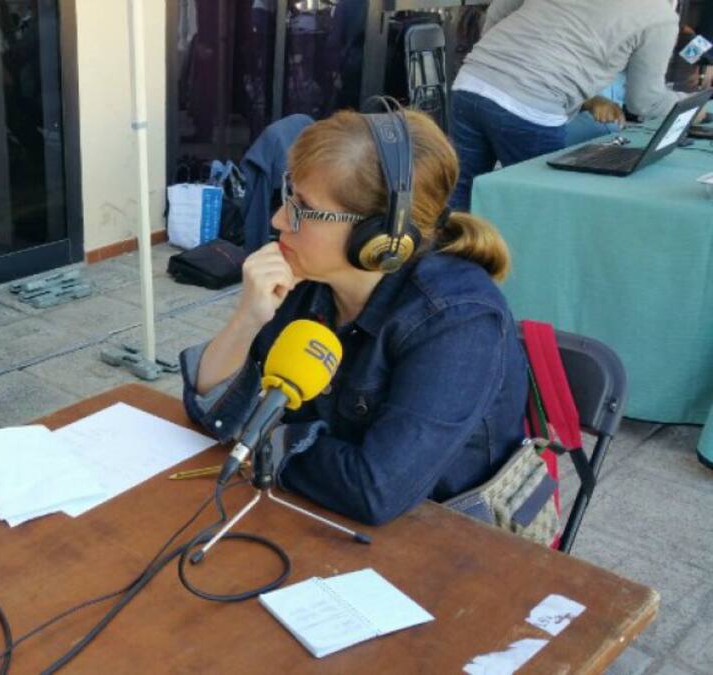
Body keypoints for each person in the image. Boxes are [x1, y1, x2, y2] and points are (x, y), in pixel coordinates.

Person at [180, 108, 528, 526]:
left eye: (303, 208)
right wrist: (247, 319)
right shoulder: (308, 279)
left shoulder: (458, 321)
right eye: (288, 196)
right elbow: (215, 415)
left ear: (379, 237)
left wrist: (259, 435)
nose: (278, 219)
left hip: (442, 534)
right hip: (316, 510)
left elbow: (375, 490)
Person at [449, 0, 691, 210]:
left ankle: (445, 249)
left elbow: (499, 9)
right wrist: (690, 106)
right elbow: (644, 102)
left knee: (461, 189)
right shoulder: (659, 16)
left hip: (472, 81)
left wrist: (496, 60)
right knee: (540, 205)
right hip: (532, 105)